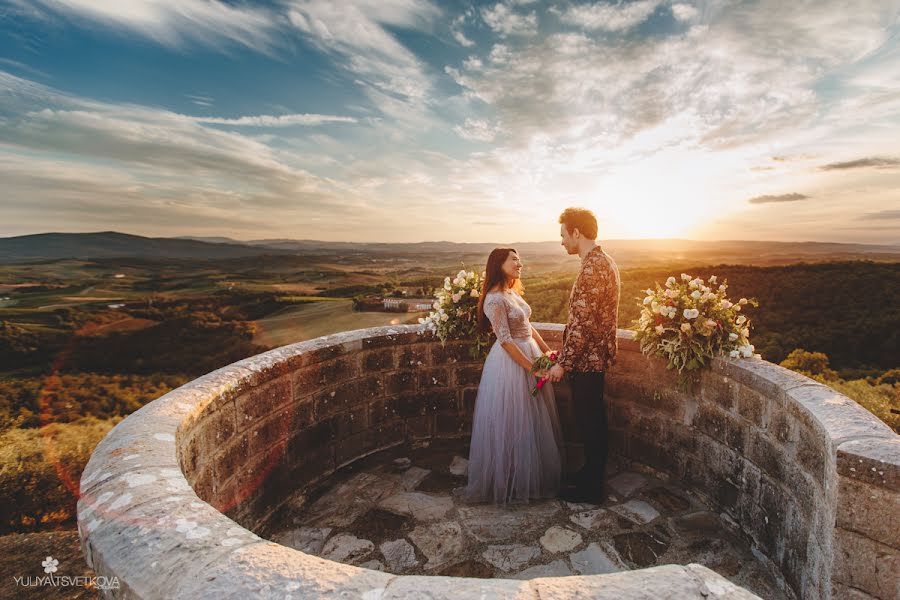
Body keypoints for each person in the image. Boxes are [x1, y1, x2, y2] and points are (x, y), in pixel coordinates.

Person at [465, 248, 563, 504]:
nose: (519, 263)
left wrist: (546, 351)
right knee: (512, 418)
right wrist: (533, 367)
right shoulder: (494, 299)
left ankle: (530, 473)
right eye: (514, 260)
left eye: (519, 259)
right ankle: (510, 477)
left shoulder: (511, 292)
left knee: (532, 418)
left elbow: (528, 327)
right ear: (499, 264)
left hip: (529, 353)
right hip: (510, 363)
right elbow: (506, 341)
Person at [546, 207, 621, 503]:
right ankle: (589, 474)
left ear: (576, 232)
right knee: (591, 420)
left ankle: (592, 488)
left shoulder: (593, 267)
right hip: (593, 356)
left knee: (591, 422)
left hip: (588, 359)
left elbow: (582, 322)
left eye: (563, 235)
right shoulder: (604, 261)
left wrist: (564, 363)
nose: (562, 241)